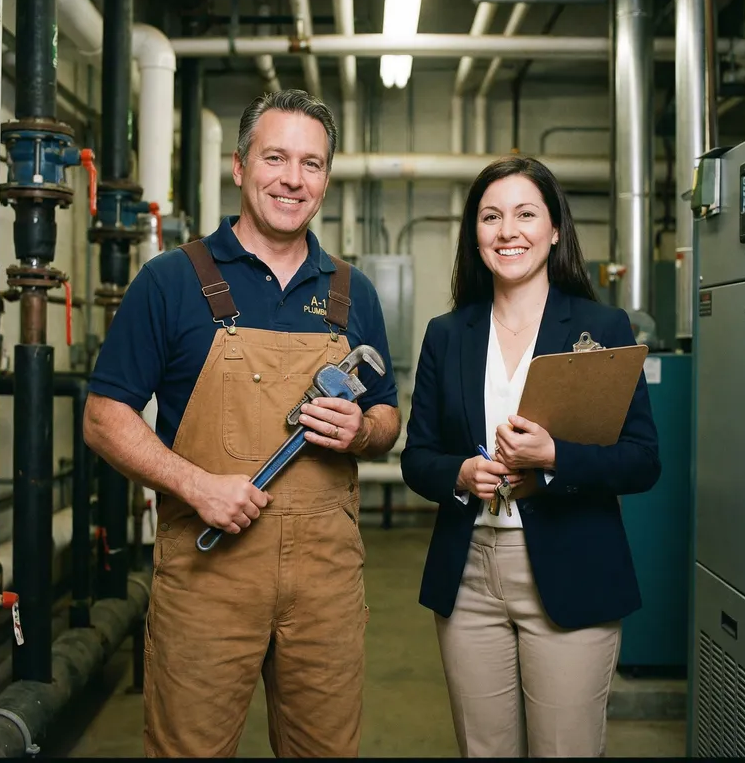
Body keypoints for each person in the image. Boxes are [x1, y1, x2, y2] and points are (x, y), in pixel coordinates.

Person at [84, 88, 401, 758]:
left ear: (326, 178)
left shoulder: (352, 292)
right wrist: (197, 486)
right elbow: (104, 417)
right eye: (276, 157)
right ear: (239, 166)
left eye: (311, 164)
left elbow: (387, 415)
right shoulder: (170, 281)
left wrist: (363, 433)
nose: (293, 179)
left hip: (325, 583)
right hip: (208, 580)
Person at [400, 155, 660, 758]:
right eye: (490, 216)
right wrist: (461, 473)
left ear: (554, 230)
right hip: (468, 574)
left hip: (570, 565)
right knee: (483, 749)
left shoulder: (601, 326)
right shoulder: (447, 333)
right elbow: (418, 458)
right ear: (475, 233)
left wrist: (554, 457)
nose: (507, 231)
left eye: (525, 214)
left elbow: (643, 459)